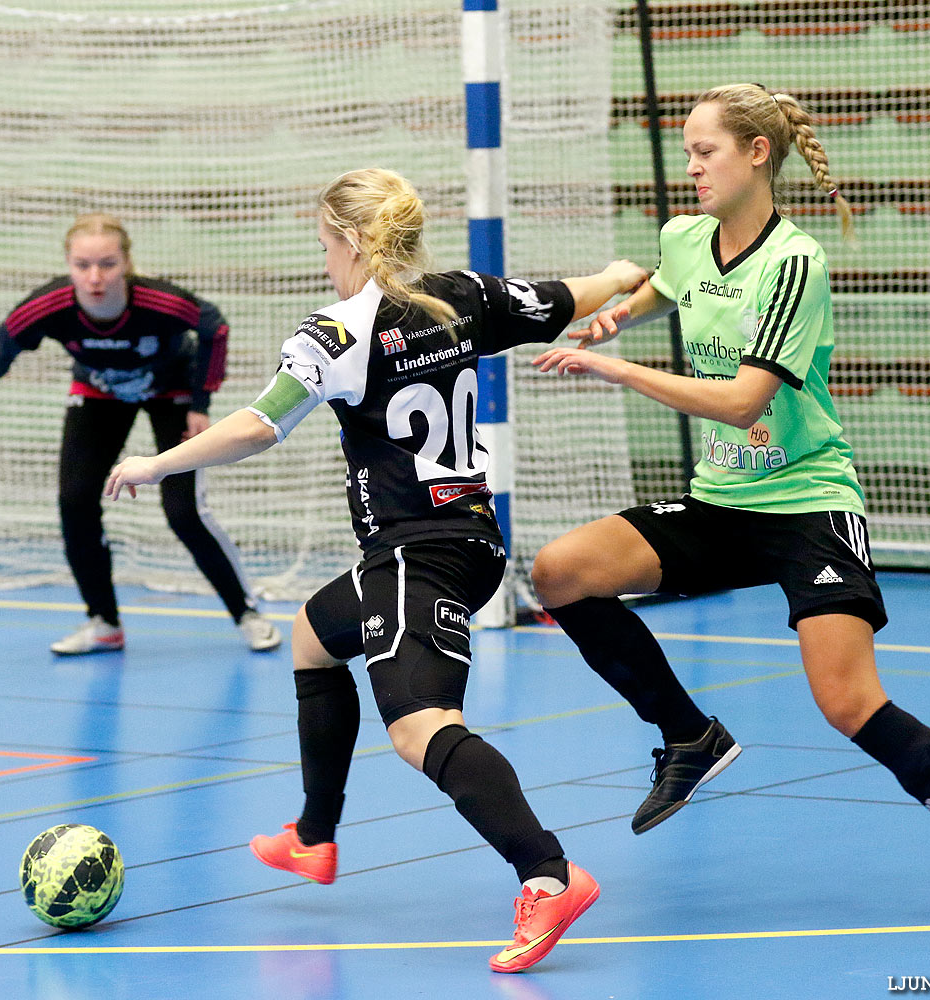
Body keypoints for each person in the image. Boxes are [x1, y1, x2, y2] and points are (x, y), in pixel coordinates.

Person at [528, 84, 930, 930]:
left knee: (847, 702)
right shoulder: (685, 237)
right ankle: (687, 735)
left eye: (706, 152)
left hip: (807, 502)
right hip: (722, 500)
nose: (691, 166)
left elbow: (743, 403)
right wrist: (619, 316)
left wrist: (614, 370)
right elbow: (673, 282)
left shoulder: (795, 262)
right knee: (560, 573)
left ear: (757, 154)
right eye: (689, 150)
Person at [106, 168, 649, 972]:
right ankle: (313, 838)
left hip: (415, 554)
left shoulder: (337, 331)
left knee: (420, 727)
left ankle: (548, 873)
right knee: (313, 637)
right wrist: (631, 273)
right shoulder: (461, 296)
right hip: (467, 538)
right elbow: (578, 292)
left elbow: (260, 425)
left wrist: (157, 465)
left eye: (327, 246)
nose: (325, 263)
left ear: (353, 243)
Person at [0, 212, 281, 655]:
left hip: (170, 392)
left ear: (126, 263)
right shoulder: (48, 306)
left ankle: (246, 612)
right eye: (82, 265)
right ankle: (103, 621)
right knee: (75, 500)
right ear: (68, 266)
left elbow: (213, 326)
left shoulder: (160, 302)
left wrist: (201, 403)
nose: (95, 277)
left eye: (106, 264)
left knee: (183, 513)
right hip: (97, 393)